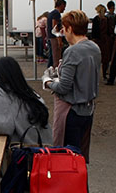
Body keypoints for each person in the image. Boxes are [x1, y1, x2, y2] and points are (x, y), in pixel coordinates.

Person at [42, 10, 100, 162]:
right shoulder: (94, 48)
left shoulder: (72, 51)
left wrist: (48, 82)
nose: (63, 32)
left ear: (70, 29)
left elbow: (63, 87)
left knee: (66, 158)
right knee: (79, 158)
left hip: (71, 111)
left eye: (64, 28)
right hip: (88, 110)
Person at [0, 56, 52, 145]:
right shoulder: (29, 93)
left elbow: (1, 127)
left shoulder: (0, 92)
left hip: (26, 149)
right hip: (46, 146)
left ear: (2, 76)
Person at [91, 4, 111, 79]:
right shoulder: (106, 19)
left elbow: (94, 32)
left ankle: (96, 74)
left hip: (98, 40)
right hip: (105, 40)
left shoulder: (96, 19)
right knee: (105, 58)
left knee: (97, 58)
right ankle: (104, 74)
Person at [47, 0, 66, 68]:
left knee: (51, 56)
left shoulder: (51, 13)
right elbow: (55, 27)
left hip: (50, 37)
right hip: (54, 38)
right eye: (64, 6)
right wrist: (59, 40)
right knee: (56, 58)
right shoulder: (56, 14)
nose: (64, 9)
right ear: (61, 5)